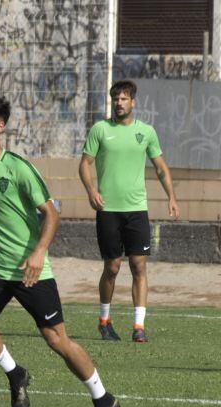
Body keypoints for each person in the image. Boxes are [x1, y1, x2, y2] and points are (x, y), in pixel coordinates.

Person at [0, 92, 121, 407]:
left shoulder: (18, 169)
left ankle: (103, 399)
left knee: (57, 340)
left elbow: (51, 214)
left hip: (32, 270)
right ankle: (15, 373)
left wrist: (38, 252)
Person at [79, 80, 180, 343]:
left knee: (139, 266)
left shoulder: (146, 132)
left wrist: (172, 196)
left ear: (133, 102)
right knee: (111, 267)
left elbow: (160, 167)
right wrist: (91, 191)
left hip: (137, 210)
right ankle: (104, 321)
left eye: (124, 99)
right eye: (116, 99)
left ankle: (139, 327)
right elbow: (85, 164)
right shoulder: (100, 130)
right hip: (108, 209)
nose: (119, 103)